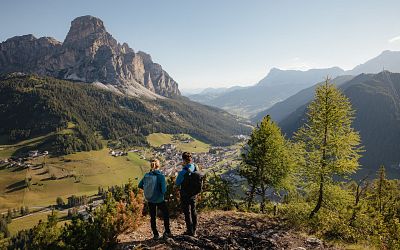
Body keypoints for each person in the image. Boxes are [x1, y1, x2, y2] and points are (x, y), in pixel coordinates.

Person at [138, 159, 172, 240]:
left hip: (150, 199)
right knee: (166, 214)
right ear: (158, 165)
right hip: (160, 199)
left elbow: (139, 185)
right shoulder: (161, 176)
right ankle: (167, 231)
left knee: (153, 217)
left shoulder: (146, 175)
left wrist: (147, 189)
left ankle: (155, 234)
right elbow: (164, 190)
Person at [175, 152, 198, 236]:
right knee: (193, 210)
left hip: (185, 194)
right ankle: (194, 229)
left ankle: (189, 230)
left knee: (187, 212)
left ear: (184, 160)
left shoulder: (182, 172)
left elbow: (177, 183)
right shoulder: (195, 166)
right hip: (193, 193)